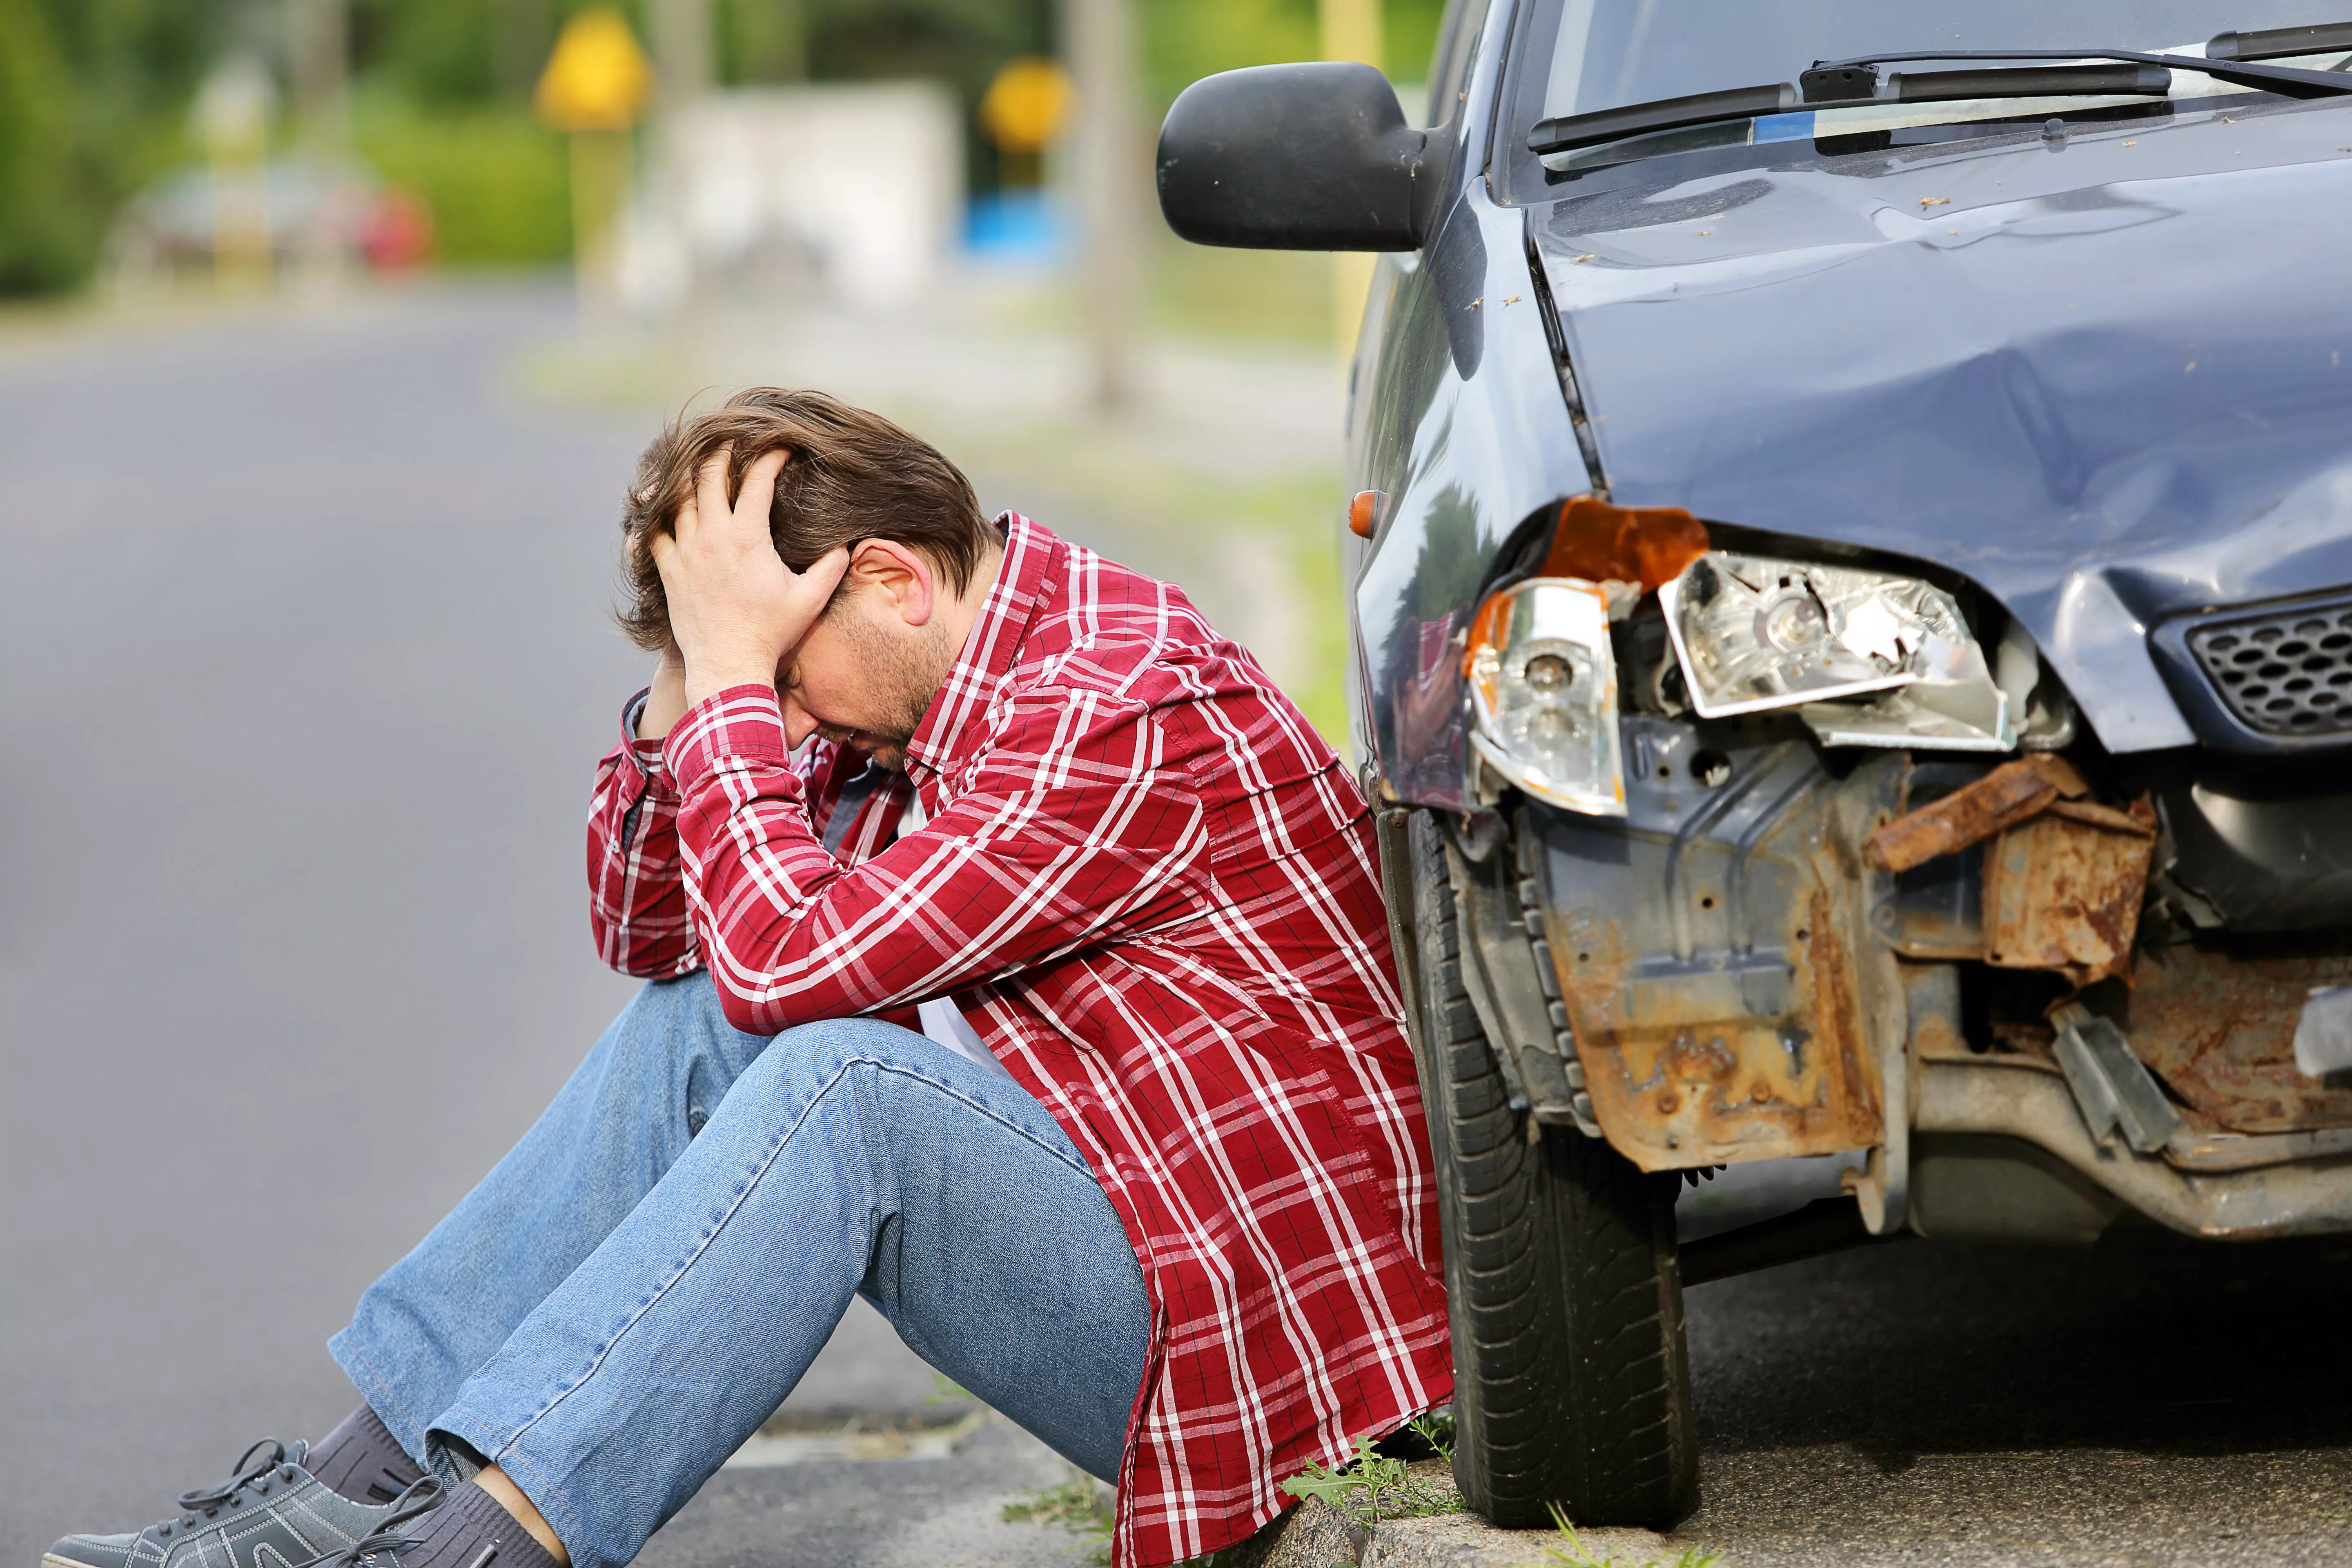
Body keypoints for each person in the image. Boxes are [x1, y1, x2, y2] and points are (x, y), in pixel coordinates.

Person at [43, 390, 1450, 1568]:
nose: (771, 720)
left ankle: (469, 1550)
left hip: (1302, 1372)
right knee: (702, 1023)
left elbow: (789, 962)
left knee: (845, 1086)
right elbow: (660, 934)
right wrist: (699, 675)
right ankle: (339, 1502)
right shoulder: (910, 685)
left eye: (779, 666)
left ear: (893, 578)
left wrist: (733, 682)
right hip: (1168, 1282)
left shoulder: (1116, 701)